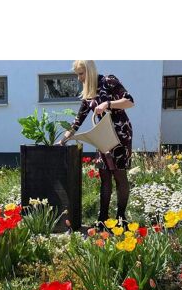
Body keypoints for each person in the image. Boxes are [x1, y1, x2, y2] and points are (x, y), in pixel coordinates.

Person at [57, 60, 135, 230]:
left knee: (119, 176)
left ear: (90, 71)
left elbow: (129, 101)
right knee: (105, 177)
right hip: (102, 136)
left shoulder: (109, 81)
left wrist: (107, 104)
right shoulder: (88, 93)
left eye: (81, 73)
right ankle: (102, 220)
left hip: (121, 135)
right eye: (77, 74)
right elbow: (77, 122)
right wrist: (62, 140)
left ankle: (121, 219)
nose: (79, 78)